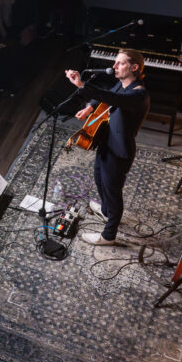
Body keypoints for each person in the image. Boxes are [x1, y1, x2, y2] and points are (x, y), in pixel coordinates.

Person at [65, 49, 150, 245]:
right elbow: (108, 95)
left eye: (120, 63)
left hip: (119, 151)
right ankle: (106, 211)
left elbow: (113, 98)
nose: (114, 67)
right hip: (106, 142)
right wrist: (89, 108)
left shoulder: (139, 95)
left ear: (134, 67)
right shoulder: (123, 85)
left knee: (113, 192)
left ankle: (108, 235)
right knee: (99, 179)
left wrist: (81, 84)